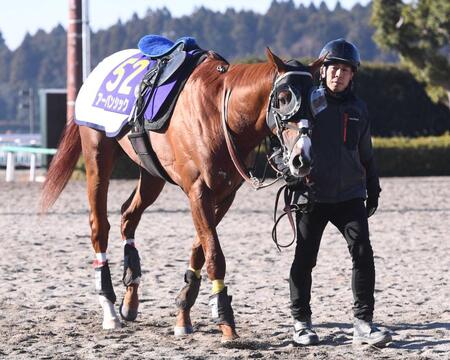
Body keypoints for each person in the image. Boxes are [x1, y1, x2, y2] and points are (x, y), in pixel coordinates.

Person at [286, 38, 391, 347]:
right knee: (304, 260)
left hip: (350, 196)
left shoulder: (359, 108)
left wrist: (373, 186)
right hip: (312, 196)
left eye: (345, 70)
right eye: (333, 68)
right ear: (324, 71)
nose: (338, 75)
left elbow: (366, 153)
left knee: (363, 255)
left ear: (352, 75)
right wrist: (292, 175)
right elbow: (287, 143)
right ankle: (301, 323)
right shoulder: (307, 105)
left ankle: (363, 324)